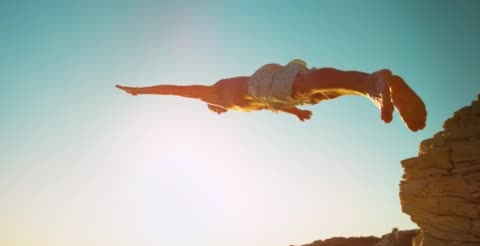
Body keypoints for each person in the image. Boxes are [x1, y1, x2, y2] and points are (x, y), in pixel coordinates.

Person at [116, 59, 426, 132]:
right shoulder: (235, 107)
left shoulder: (213, 92)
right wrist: (297, 113)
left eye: (215, 109)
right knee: (321, 93)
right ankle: (379, 89)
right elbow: (267, 109)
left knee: (306, 84)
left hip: (262, 86)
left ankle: (370, 82)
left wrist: (141, 91)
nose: (216, 110)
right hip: (273, 98)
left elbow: (176, 90)